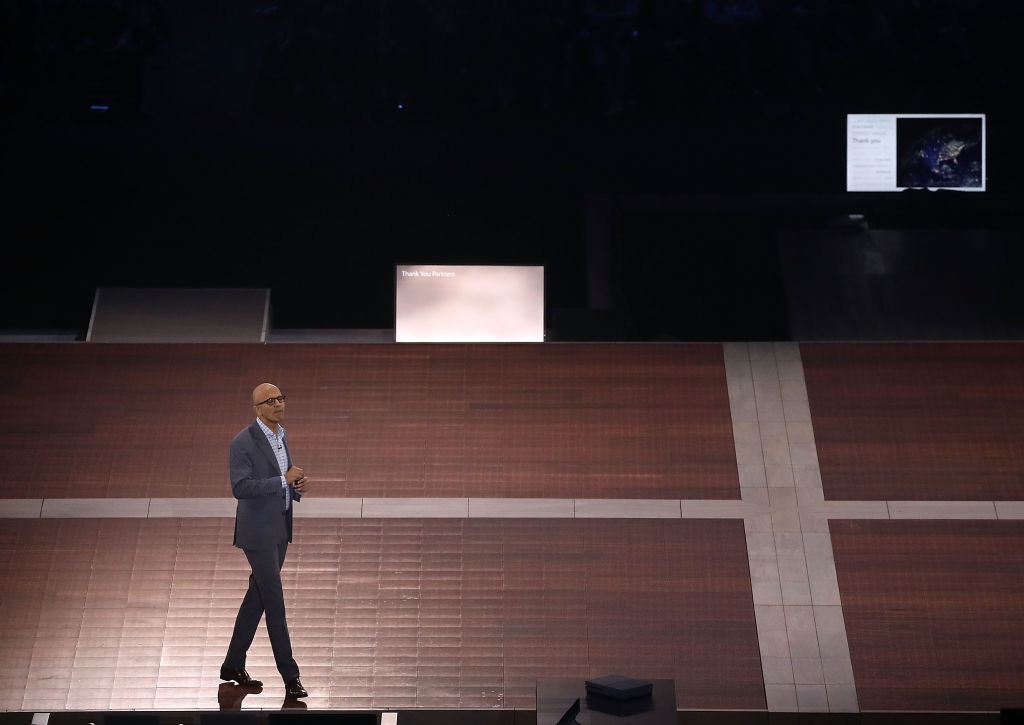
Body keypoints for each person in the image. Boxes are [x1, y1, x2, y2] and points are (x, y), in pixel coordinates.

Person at [220, 382, 309, 699]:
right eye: (270, 401)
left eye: (281, 398)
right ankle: (291, 677)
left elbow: (283, 478)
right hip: (257, 534)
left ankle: (232, 665)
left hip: (280, 529)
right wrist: (281, 480)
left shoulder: (281, 435)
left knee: (256, 599)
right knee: (275, 603)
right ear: (257, 409)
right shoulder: (242, 443)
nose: (278, 404)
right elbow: (241, 487)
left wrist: (295, 487)